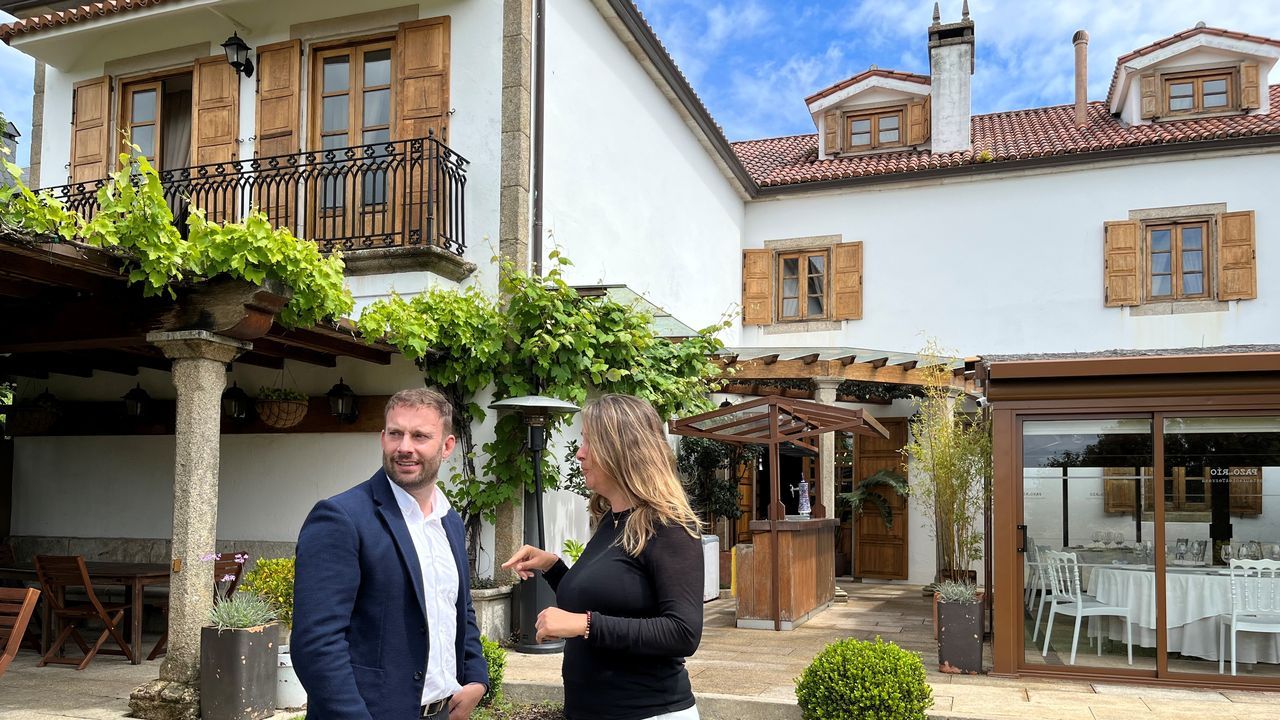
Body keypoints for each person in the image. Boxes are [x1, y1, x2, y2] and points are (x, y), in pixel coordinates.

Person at [502, 394, 704, 720]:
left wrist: (584, 625)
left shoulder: (668, 525)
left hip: (648, 712)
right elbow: (606, 600)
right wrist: (552, 566)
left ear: (622, 450)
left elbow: (683, 633)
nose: (580, 454)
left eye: (589, 443)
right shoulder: (611, 520)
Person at [293, 388, 488, 720]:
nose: (405, 447)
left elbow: (459, 608)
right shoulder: (341, 518)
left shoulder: (449, 522)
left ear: (447, 446)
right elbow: (317, 644)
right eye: (395, 434)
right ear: (383, 438)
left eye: (420, 436)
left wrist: (476, 678)